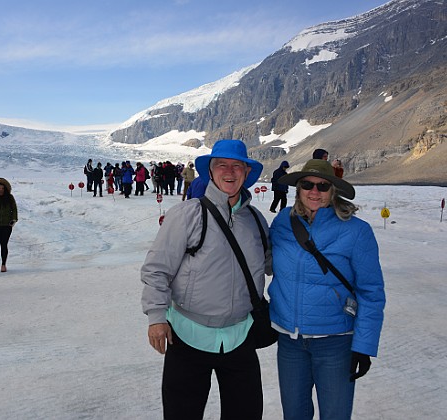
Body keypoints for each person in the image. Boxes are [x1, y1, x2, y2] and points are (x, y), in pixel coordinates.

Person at [141, 139, 271, 419]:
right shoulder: (188, 215)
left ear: (247, 173)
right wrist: (156, 317)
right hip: (188, 337)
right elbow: (157, 269)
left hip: (240, 337)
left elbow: (280, 266)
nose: (230, 171)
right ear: (210, 172)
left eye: (237, 166)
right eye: (221, 164)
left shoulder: (257, 221)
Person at [268, 159, 385, 420]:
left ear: (333, 190)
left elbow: (371, 291)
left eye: (323, 186)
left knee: (335, 415)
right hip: (290, 342)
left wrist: (364, 345)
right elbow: (259, 259)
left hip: (336, 343)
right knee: (294, 415)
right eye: (307, 184)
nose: (314, 191)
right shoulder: (283, 224)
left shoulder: (357, 231)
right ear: (298, 189)